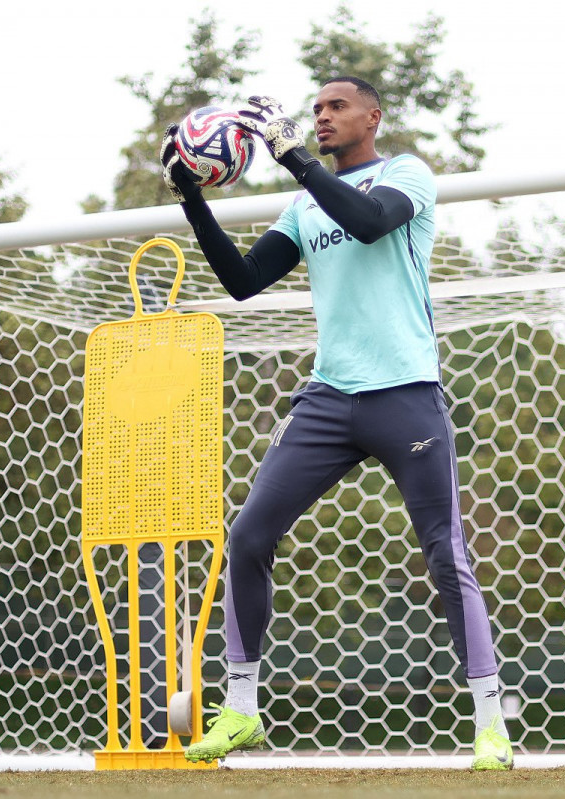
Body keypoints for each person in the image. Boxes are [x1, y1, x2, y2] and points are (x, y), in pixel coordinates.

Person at [159, 76, 513, 771]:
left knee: (445, 550)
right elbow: (241, 279)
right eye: (315, 110)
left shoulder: (406, 175)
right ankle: (240, 710)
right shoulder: (303, 205)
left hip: (406, 394)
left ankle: (491, 722)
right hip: (327, 399)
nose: (321, 116)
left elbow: (371, 221)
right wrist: (192, 198)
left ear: (372, 117)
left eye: (336, 107)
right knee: (249, 535)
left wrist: (295, 155)